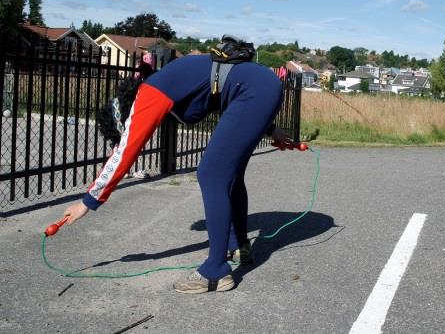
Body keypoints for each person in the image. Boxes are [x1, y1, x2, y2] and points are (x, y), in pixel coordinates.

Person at [62, 35, 290, 294]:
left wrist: (88, 201)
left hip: (254, 91)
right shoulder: (164, 81)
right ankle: (238, 245)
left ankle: (216, 270)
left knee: (211, 174)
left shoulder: (150, 93)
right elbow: (228, 85)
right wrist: (270, 128)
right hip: (260, 87)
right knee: (230, 175)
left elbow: (127, 151)